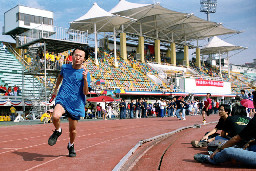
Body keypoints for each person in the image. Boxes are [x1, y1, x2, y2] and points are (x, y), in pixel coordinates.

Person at [47, 47, 90, 157]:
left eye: (80, 56)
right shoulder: (65, 67)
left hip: (76, 103)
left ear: (84, 59)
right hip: (63, 98)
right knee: (55, 117)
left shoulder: (85, 73)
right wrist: (56, 89)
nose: (77, 57)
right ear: (72, 56)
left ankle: (71, 145)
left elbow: (85, 92)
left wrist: (85, 79)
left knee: (73, 130)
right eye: (76, 55)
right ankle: (58, 130)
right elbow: (60, 76)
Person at [194, 91, 256, 167]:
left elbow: (236, 138)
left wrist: (219, 149)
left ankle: (211, 159)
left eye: (221, 110)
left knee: (228, 150)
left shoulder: (233, 119)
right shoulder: (250, 119)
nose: (219, 111)